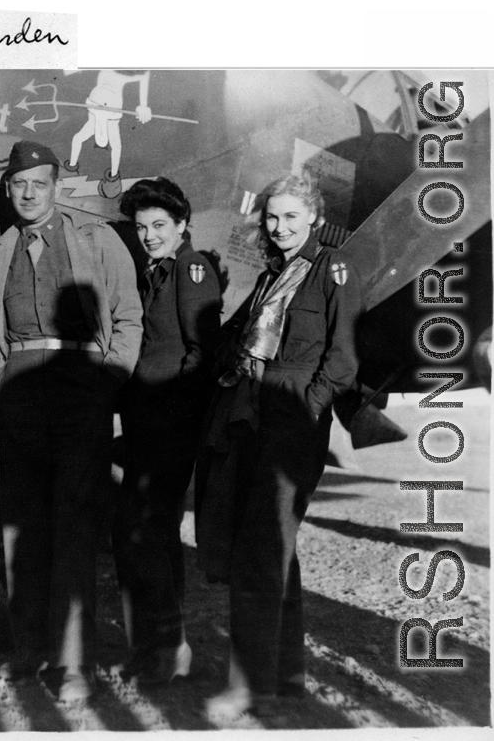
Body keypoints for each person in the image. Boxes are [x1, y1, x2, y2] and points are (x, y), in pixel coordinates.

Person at [0, 140, 143, 702]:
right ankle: (27, 654)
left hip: (80, 394)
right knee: (22, 530)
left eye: (38, 184)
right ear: (8, 189)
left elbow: (127, 316)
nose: (27, 193)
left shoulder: (98, 237)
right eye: (18, 185)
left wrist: (109, 379)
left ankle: (74, 665)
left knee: (74, 528)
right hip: (21, 397)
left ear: (55, 186)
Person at [196, 174, 361, 717]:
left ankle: (249, 686)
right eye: (272, 217)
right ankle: (286, 675)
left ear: (313, 217)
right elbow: (236, 343)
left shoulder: (332, 271)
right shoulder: (274, 275)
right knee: (273, 552)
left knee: (258, 554)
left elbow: (341, 362)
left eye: (291, 217)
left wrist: (306, 410)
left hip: (290, 426)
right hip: (251, 418)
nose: (280, 226)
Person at [112, 178, 222, 684]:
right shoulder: (156, 270)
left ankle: (170, 646)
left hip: (168, 428)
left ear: (182, 226)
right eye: (141, 227)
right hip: (146, 425)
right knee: (150, 535)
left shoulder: (190, 268)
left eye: (159, 225)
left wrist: (175, 422)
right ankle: (157, 647)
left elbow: (201, 355)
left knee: (144, 532)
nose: (149, 235)